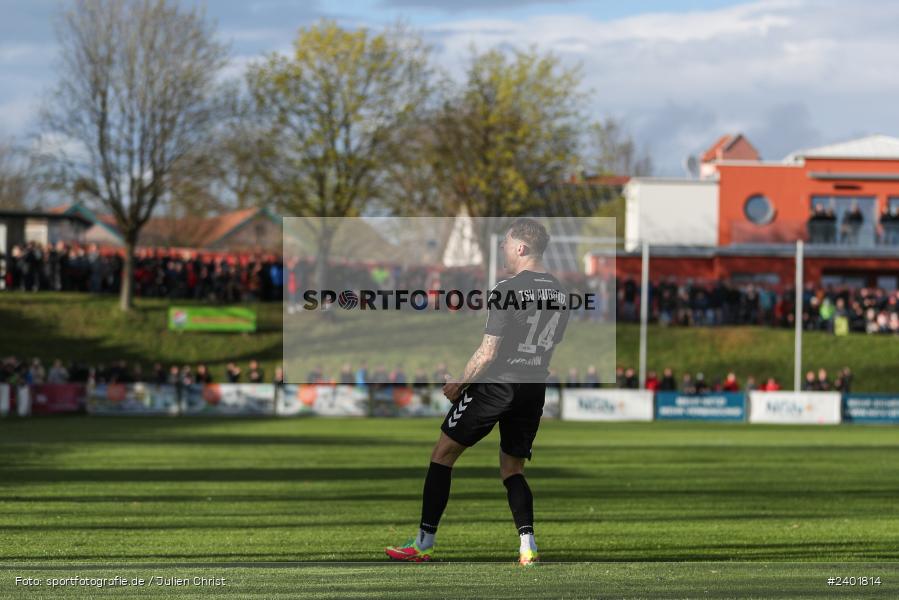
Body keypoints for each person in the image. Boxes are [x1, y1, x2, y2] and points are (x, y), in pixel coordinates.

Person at [385, 219, 570, 566]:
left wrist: (459, 384)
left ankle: (424, 542)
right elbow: (550, 344)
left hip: (499, 383)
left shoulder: (507, 289)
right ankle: (527, 545)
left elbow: (489, 352)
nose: (502, 248)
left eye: (506, 242)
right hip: (534, 385)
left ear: (521, 248)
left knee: (442, 454)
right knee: (513, 469)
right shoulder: (562, 293)